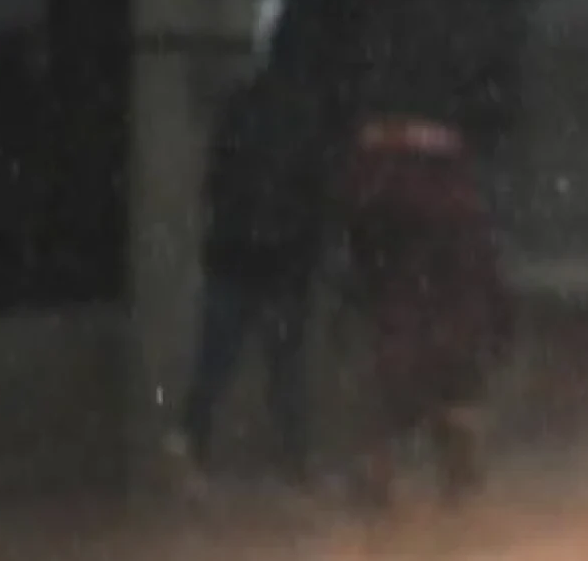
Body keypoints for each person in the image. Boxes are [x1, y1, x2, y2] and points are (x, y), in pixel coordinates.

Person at [167, 69, 333, 486]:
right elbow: (313, 195)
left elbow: (216, 182)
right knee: (283, 367)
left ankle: (191, 442)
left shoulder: (241, 112)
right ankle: (294, 459)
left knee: (219, 359)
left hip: (237, 254)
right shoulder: (301, 117)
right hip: (275, 258)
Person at [340, 114, 513, 509]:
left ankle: (381, 483)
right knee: (453, 403)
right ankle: (456, 489)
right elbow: (484, 266)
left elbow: (364, 260)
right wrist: (500, 324)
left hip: (405, 320)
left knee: (393, 408)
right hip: (450, 322)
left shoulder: (377, 192)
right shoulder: (458, 199)